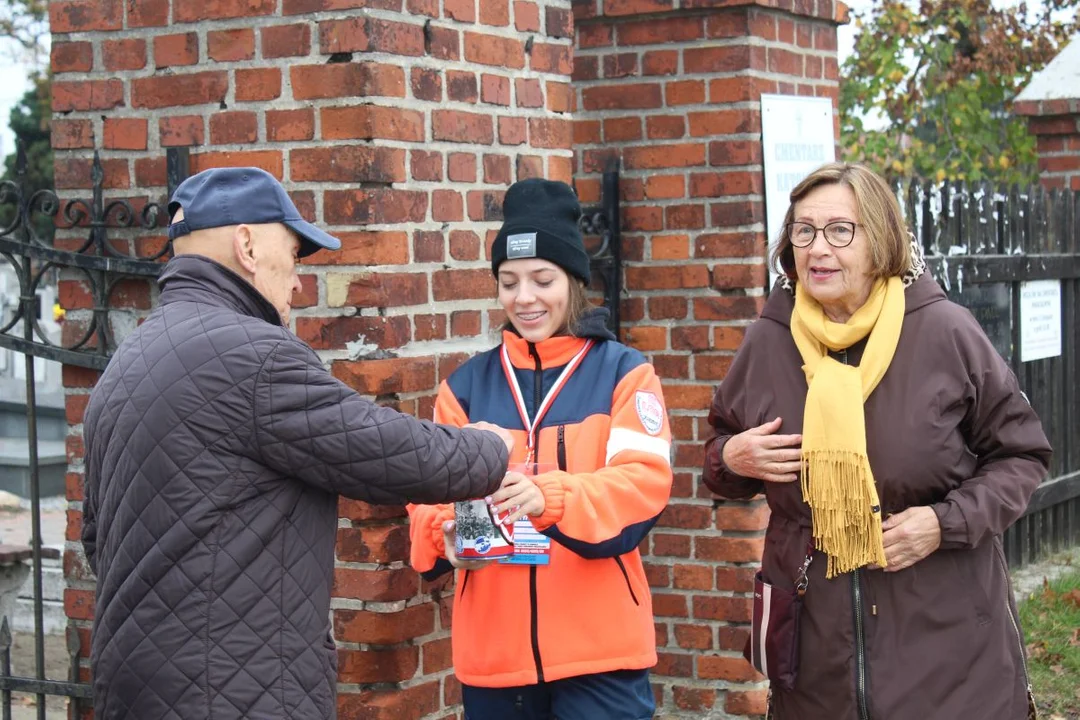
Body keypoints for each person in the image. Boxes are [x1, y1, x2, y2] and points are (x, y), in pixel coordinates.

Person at [81, 166, 515, 720]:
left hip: (136, 685)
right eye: (292, 252)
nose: (296, 282)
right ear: (247, 244)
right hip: (234, 691)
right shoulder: (254, 355)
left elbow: (98, 538)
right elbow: (387, 454)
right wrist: (489, 448)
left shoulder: (127, 360)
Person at [702, 162, 1051, 720]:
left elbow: (1022, 454)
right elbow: (719, 461)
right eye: (804, 231)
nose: (819, 248)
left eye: (841, 230)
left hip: (945, 645)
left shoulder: (944, 332)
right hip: (817, 654)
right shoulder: (769, 341)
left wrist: (945, 522)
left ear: (881, 239)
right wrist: (732, 457)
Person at [407, 178, 673, 720]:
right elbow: (426, 499)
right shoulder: (463, 387)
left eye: (542, 279)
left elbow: (642, 485)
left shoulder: (625, 374)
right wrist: (443, 536)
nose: (524, 298)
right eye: (508, 282)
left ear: (573, 280)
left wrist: (546, 498)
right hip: (494, 660)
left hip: (601, 657)